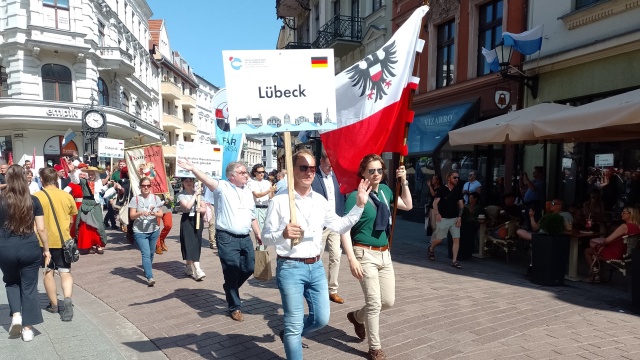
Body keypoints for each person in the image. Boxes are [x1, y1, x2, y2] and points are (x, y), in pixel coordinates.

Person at [262, 149, 371, 359]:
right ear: (293, 171)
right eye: (303, 167)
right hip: (290, 267)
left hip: (316, 267)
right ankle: (292, 336)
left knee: (321, 319)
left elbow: (339, 225)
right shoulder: (279, 201)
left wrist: (359, 205)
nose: (309, 172)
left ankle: (291, 335)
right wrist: (283, 234)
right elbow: (265, 238)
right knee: (293, 323)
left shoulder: (320, 200)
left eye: (312, 168)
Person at [341, 154, 412, 360]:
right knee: (374, 303)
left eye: (379, 170)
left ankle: (356, 317)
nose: (376, 174)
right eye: (371, 170)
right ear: (363, 173)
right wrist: (352, 258)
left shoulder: (386, 191)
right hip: (364, 253)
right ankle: (375, 348)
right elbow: (344, 228)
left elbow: (407, 205)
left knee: (387, 302)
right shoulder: (355, 196)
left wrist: (405, 181)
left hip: (384, 254)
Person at [176, 159, 261, 322]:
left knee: (250, 267)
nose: (246, 175)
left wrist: (257, 233)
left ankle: (230, 288)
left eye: (246, 172)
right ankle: (235, 307)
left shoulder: (248, 192)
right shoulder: (223, 187)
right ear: (231, 176)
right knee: (231, 270)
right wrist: (193, 168)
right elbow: (206, 179)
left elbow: (252, 215)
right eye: (242, 172)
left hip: (245, 237)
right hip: (227, 237)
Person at [0, 165, 51, 341]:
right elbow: (42, 229)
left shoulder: (1, 200)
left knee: (11, 282)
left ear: (7, 179)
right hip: (29, 246)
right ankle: (28, 329)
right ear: (24, 178)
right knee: (29, 287)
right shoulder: (34, 201)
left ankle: (16, 315)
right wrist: (46, 249)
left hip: (5, 247)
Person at [34, 167, 77, 322]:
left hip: (44, 241)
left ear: (41, 180)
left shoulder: (36, 196)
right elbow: (72, 219)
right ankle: (67, 298)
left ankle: (54, 305)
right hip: (64, 240)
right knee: (65, 272)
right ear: (57, 179)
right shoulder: (66, 196)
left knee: (48, 272)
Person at [311, 150, 346, 304]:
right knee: (316, 256)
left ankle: (332, 289)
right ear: (321, 161)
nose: (331, 168)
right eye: (329, 165)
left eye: (333, 166)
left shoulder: (336, 177)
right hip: (320, 225)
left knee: (336, 256)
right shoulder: (313, 177)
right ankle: (315, 287)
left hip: (335, 222)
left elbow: (341, 197)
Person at [584, 207, 640, 282]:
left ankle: (595, 275)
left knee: (588, 251)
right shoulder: (637, 227)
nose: (621, 214)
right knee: (598, 251)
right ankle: (601, 275)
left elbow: (607, 240)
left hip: (616, 253)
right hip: (626, 254)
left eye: (624, 212)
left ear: (630, 214)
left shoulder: (624, 226)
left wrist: (603, 241)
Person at [129, 177, 164, 286]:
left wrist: (153, 213)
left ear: (151, 187)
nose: (146, 187)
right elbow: (131, 216)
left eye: (148, 185)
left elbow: (161, 214)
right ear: (140, 187)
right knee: (146, 253)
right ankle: (150, 277)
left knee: (151, 253)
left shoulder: (155, 198)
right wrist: (140, 213)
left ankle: (146, 268)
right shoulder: (135, 199)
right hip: (140, 231)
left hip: (154, 230)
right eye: (143, 186)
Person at [68, 163, 108, 254]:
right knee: (86, 225)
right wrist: (72, 171)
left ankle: (98, 244)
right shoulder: (83, 182)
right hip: (85, 204)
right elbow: (75, 180)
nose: (90, 175)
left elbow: (101, 192)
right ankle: (88, 245)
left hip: (95, 205)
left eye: (92, 174)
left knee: (98, 225)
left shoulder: (98, 183)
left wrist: (111, 186)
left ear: (96, 174)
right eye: (89, 174)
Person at [428, 171, 465, 269]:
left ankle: (454, 261)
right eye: (455, 177)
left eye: (458, 178)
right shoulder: (442, 189)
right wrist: (437, 214)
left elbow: (461, 205)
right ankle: (431, 248)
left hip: (454, 218)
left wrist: (459, 217)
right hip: (443, 218)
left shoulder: (458, 190)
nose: (457, 179)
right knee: (439, 240)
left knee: (456, 239)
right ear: (449, 178)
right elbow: (435, 203)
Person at [177, 177, 208, 281]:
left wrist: (201, 209)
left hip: (197, 219)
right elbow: (187, 207)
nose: (189, 183)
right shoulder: (181, 194)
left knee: (196, 243)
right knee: (189, 243)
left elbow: (204, 208)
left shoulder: (200, 194)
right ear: (183, 183)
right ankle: (198, 270)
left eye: (190, 180)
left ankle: (188, 266)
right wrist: (195, 195)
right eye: (186, 181)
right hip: (187, 220)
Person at [248, 164, 276, 231]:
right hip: (258, 208)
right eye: (259, 172)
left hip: (267, 208)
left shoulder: (267, 182)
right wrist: (269, 190)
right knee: (260, 231)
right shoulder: (252, 183)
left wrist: (272, 191)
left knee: (269, 230)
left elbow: (271, 197)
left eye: (263, 172)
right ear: (255, 173)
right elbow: (257, 195)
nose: (262, 174)